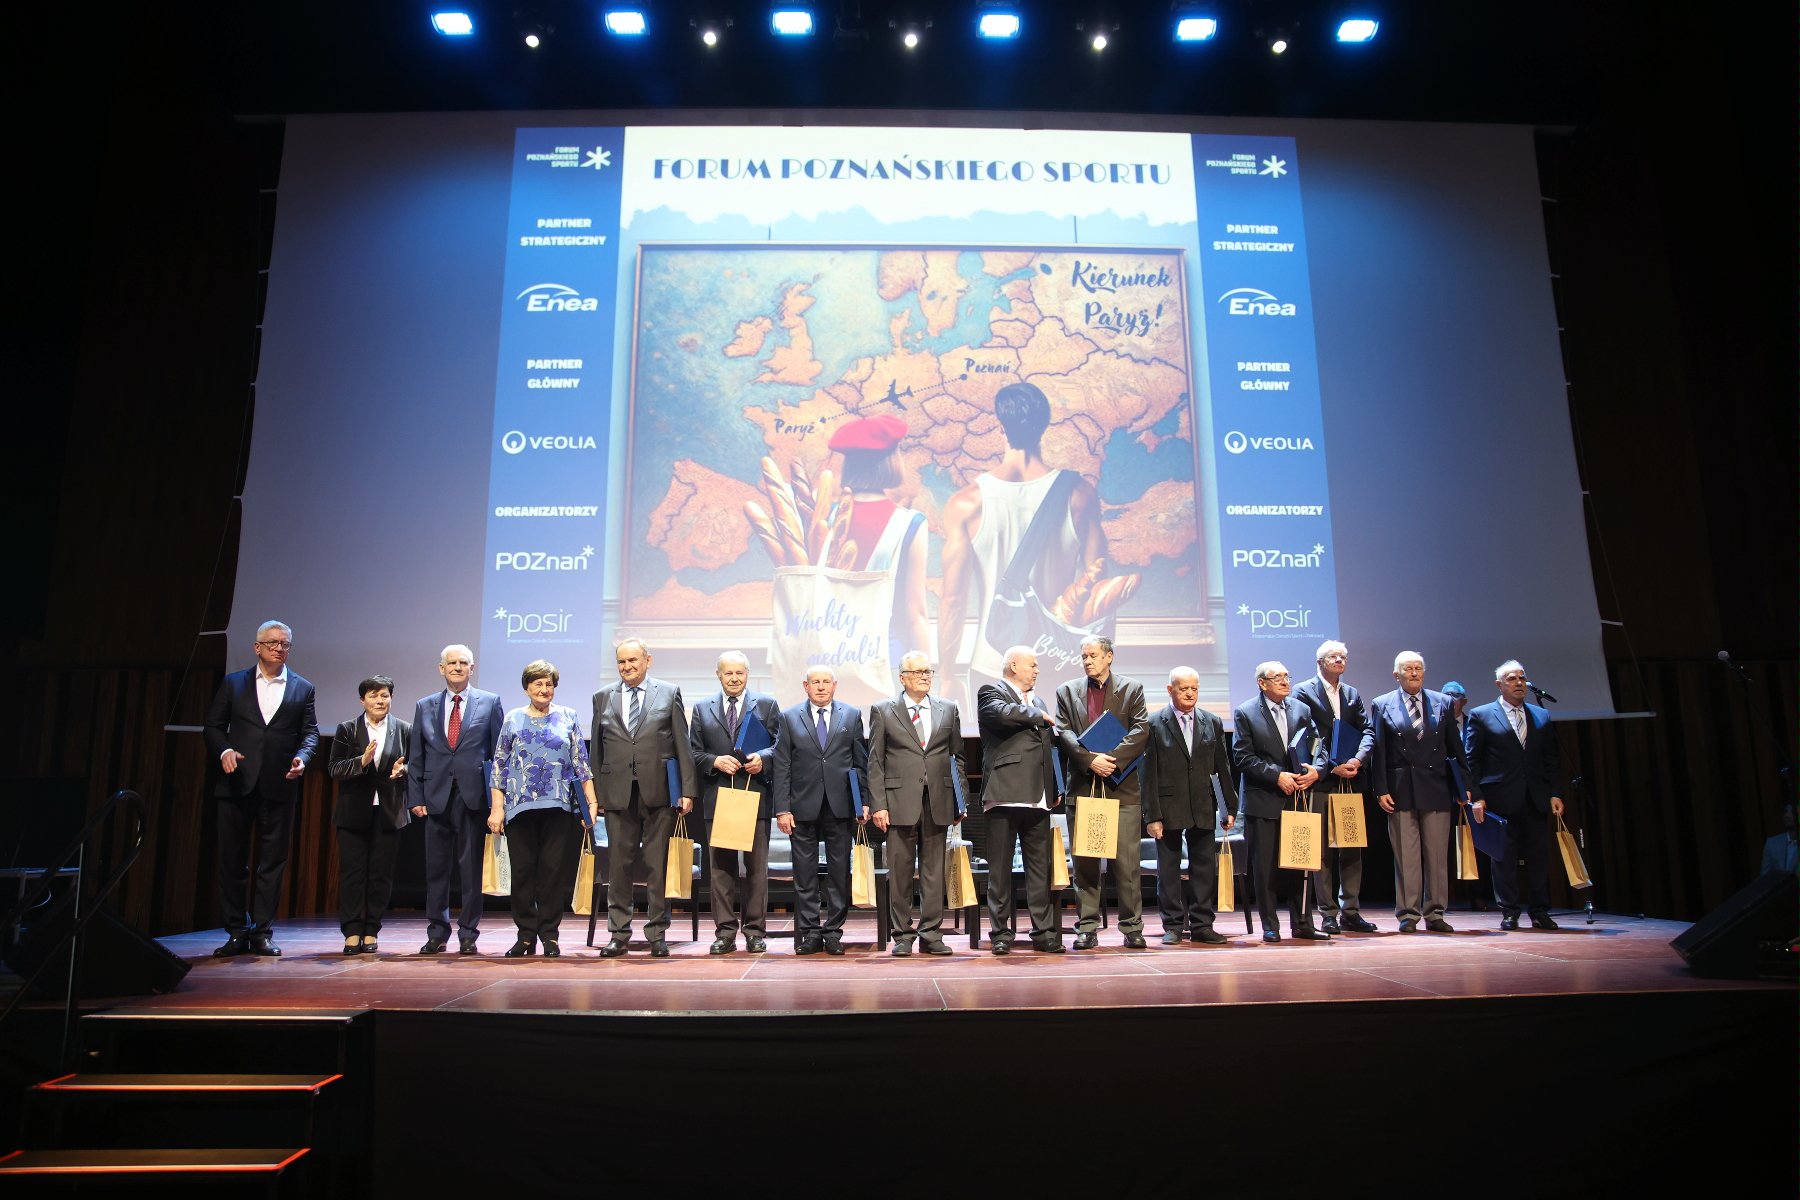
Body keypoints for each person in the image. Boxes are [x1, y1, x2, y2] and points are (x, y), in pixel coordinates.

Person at [938, 380, 1107, 703]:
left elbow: (952, 599)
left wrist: (947, 675)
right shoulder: (1079, 495)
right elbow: (1099, 596)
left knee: (996, 756)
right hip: (1058, 661)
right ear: (1044, 426)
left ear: (1000, 428)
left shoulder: (967, 502)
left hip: (992, 662)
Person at [204, 620, 320, 957]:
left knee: (272, 862)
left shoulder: (303, 687)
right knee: (231, 860)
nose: (279, 648)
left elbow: (310, 732)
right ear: (257, 648)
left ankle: (262, 932)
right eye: (272, 643)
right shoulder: (233, 683)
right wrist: (224, 751)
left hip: (280, 783)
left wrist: (303, 757)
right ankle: (236, 931)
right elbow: (212, 727)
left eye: (285, 644)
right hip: (236, 782)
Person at [591, 638, 698, 958]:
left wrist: (687, 790)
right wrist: (597, 795)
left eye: (633, 661)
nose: (627, 667)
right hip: (617, 793)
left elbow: (683, 745)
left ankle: (657, 933)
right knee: (618, 868)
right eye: (622, 662)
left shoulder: (668, 692)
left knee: (657, 865)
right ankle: (618, 934)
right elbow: (596, 750)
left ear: (647, 661)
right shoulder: (602, 697)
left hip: (659, 793)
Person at [489, 660, 596, 958]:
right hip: (519, 807)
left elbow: (581, 764)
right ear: (526, 688)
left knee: (551, 872)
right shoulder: (512, 719)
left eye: (549, 684)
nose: (544, 689)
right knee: (523, 872)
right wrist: (497, 808)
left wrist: (592, 803)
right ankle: (525, 936)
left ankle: (549, 935)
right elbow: (499, 766)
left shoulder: (568, 716)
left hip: (559, 805)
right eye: (538, 683)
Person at [1368, 651, 1478, 933]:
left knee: (1437, 853)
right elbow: (1378, 750)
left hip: (1437, 786)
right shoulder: (1382, 704)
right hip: (1400, 787)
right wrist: (1380, 788)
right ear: (1397, 675)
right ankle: (1408, 913)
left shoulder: (1442, 703)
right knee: (1406, 854)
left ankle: (1436, 911)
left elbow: (1456, 750)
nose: (1414, 673)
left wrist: (1466, 788)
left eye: (1419, 668)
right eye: (1408, 669)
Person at [406, 644, 503, 955]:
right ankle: (436, 932)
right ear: (441, 668)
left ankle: (468, 934)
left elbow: (497, 755)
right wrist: (415, 796)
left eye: (464, 663)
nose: (458, 667)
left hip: (474, 797)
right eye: (452, 663)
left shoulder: (489, 703)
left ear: (472, 669)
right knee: (436, 869)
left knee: (471, 869)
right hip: (435, 797)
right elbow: (416, 756)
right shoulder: (425, 705)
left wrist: (496, 801)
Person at [1054, 635, 1150, 949]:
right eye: (1083, 656)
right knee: (1086, 863)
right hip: (1084, 787)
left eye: (1093, 655)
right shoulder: (1067, 691)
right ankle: (1086, 927)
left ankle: (1132, 927)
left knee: (1126, 864)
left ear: (1109, 656)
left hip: (1121, 787)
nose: (1087, 661)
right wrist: (1090, 760)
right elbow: (1063, 732)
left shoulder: (1132, 689)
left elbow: (1140, 730)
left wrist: (1111, 760)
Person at [867, 651, 964, 956]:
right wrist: (879, 804)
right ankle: (902, 935)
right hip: (897, 803)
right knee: (900, 871)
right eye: (918, 671)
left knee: (934, 871)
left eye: (928, 671)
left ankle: (932, 933)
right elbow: (875, 762)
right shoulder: (884, 711)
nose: (925, 676)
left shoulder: (948, 709)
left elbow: (956, 758)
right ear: (903, 677)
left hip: (938, 801)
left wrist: (960, 800)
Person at [770, 667, 869, 955]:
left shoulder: (851, 715)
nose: (821, 687)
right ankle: (810, 933)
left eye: (826, 682)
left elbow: (860, 763)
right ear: (806, 686)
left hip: (840, 807)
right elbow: (782, 765)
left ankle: (834, 932)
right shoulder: (789, 717)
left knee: (839, 873)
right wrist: (782, 809)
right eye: (816, 682)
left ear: (835, 685)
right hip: (801, 807)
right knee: (805, 875)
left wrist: (862, 800)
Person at [688, 651, 781, 955]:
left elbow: (780, 747)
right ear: (718, 675)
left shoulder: (766, 704)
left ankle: (755, 931)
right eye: (728, 673)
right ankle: (725, 932)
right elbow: (694, 752)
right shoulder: (702, 708)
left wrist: (763, 759)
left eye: (739, 673)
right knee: (721, 870)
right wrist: (715, 760)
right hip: (720, 798)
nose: (734, 678)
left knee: (756, 870)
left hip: (755, 796)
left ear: (747, 674)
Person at [976, 646, 1067, 955]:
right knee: (1000, 872)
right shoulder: (992, 690)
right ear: (1014, 665)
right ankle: (1001, 933)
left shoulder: (1038, 700)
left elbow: (1047, 748)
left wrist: (1054, 785)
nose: (1037, 670)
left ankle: (1043, 932)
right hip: (1004, 793)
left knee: (1039, 870)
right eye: (1033, 665)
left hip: (1038, 797)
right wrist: (1036, 714)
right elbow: (1000, 713)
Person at [1230, 661, 1329, 942]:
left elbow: (1318, 746)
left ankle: (1303, 923)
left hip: (1297, 798)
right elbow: (1243, 757)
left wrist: (1316, 771)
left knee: (1300, 863)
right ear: (1262, 683)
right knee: (1265, 869)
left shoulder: (1301, 709)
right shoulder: (1246, 712)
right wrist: (1277, 776)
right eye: (1278, 678)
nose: (1285, 682)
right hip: (1264, 800)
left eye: (1287, 676)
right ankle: (1270, 925)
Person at [828, 414, 931, 674]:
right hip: (887, 659)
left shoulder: (825, 520)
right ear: (891, 462)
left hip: (827, 655)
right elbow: (915, 613)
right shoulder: (912, 524)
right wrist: (926, 676)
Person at [1465, 660, 1563, 931]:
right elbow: (1472, 760)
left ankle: (1540, 910)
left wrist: (1555, 792)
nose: (1518, 683)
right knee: (1503, 859)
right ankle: (1509, 911)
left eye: (1522, 678)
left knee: (1539, 857)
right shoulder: (1482, 715)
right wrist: (1479, 797)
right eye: (1511, 679)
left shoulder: (1540, 715)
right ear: (1499, 684)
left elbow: (1551, 759)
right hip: (1499, 798)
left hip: (1535, 796)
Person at [1142, 667, 1237, 944]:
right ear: (1170, 689)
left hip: (1203, 804)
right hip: (1168, 806)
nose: (1190, 693)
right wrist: (1152, 815)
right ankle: (1172, 925)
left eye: (1194, 688)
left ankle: (1202, 924)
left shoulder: (1212, 721)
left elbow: (1223, 767)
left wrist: (1228, 807)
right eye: (1184, 688)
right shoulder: (1155, 723)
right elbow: (1147, 774)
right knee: (1169, 869)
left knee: (1204, 868)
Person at [1292, 640, 1379, 933]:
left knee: (1350, 845)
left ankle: (1350, 911)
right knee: (1321, 850)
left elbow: (1367, 730)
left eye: (1343, 656)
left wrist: (1357, 759)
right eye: (1333, 656)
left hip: (1349, 780)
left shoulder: (1352, 693)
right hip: (1322, 780)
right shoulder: (1303, 692)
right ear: (1320, 662)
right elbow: (1306, 735)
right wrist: (1331, 765)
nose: (1340, 659)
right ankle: (1327, 912)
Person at [326, 674, 410, 955]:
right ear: (362, 700)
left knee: (380, 876)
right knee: (352, 874)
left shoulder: (403, 729)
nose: (379, 700)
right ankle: (351, 931)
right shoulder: (347, 729)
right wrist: (360, 762)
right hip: (353, 813)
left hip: (389, 811)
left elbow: (417, 767)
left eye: (384, 695)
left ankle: (372, 929)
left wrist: (404, 771)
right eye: (373, 695)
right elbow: (335, 768)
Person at [1761, 803, 1799, 876]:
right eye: (1786, 811)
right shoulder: (1772, 844)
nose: (1787, 815)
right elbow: (1765, 878)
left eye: (1792, 811)